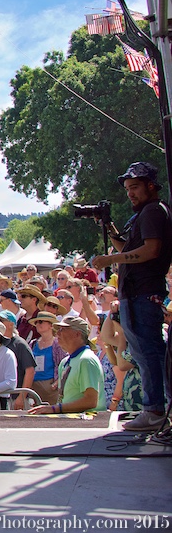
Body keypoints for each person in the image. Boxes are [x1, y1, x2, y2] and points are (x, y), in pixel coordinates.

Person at [91, 162, 172, 431]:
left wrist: (111, 259)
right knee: (144, 352)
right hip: (138, 293)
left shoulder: (152, 212)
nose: (130, 193)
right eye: (127, 189)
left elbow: (150, 250)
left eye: (135, 187)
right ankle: (158, 409)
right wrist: (110, 228)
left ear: (151, 185)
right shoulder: (146, 214)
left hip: (144, 293)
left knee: (148, 353)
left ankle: (155, 411)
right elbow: (130, 248)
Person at [29, 317, 106, 415]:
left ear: (77, 334)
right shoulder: (65, 362)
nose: (58, 334)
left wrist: (54, 409)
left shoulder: (87, 360)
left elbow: (91, 401)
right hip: (71, 421)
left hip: (88, 424)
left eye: (63, 329)